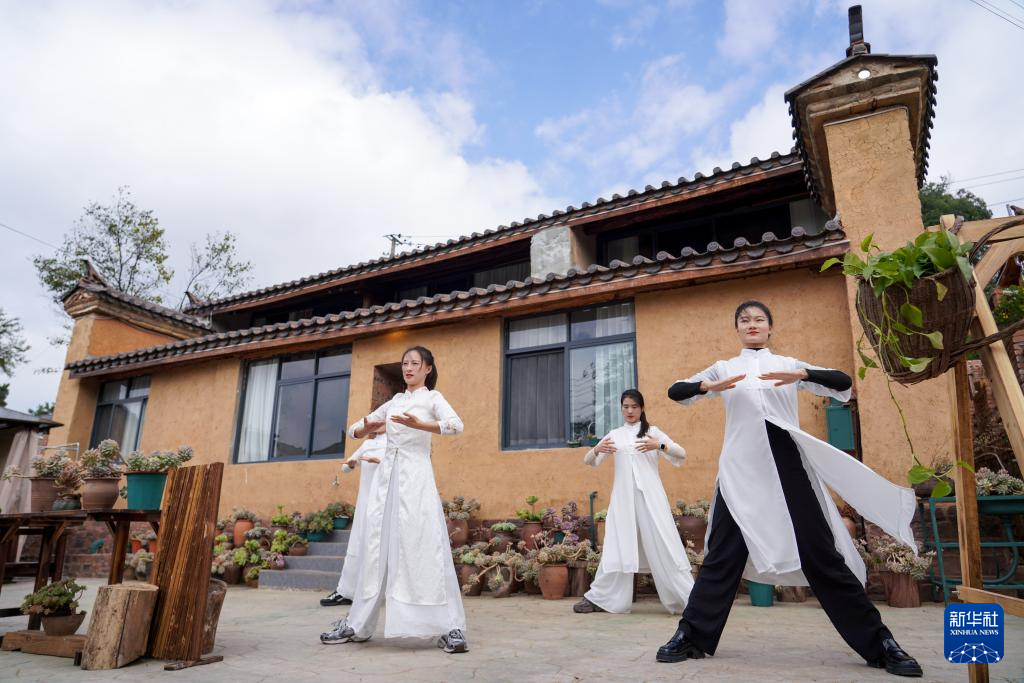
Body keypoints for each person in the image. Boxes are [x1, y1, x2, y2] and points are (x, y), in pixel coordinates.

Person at [655, 300, 923, 678]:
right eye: (744, 320)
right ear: (737, 329)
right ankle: (690, 635)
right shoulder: (724, 368)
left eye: (759, 319)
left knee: (821, 554)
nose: (752, 324)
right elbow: (675, 391)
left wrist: (802, 374)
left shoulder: (787, 363)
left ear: (770, 328)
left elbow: (842, 381)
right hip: (740, 470)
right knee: (722, 556)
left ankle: (879, 643)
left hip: (787, 465)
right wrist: (706, 386)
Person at [319, 346, 468, 654]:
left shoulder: (432, 398)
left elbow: (456, 425)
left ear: (428, 368)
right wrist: (366, 427)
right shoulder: (395, 401)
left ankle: (450, 626)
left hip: (416, 480)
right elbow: (354, 430)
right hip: (386, 483)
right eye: (405, 363)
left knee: (426, 547)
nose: (408, 368)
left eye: (415, 363)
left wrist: (419, 425)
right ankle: (357, 624)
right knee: (375, 550)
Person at [574, 389, 694, 615]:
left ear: (642, 408)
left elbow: (681, 453)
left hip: (651, 498)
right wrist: (596, 449)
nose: (630, 411)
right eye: (626, 407)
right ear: (621, 408)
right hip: (623, 501)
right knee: (617, 545)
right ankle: (601, 598)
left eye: (634, 407)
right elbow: (589, 461)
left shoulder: (652, 432)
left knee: (665, 543)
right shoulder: (615, 435)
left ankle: (690, 599)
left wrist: (659, 446)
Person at [320, 424, 385, 607]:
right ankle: (346, 591)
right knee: (358, 544)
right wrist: (350, 464)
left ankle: (380, 593)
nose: (378, 425)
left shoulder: (396, 445)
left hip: (385, 501)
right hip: (366, 502)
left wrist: (382, 463)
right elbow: (346, 467)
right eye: (375, 422)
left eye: (382, 421)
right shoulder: (367, 445)